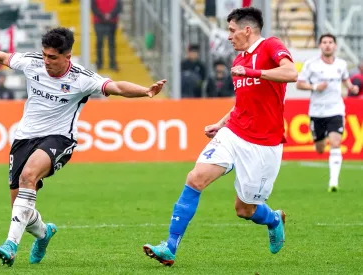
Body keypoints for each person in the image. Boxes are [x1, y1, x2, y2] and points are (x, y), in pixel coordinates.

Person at [0, 27, 166, 267]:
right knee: (19, 208)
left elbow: (116, 87)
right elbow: (2, 57)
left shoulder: (81, 78)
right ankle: (44, 234)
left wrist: (145, 91)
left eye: (52, 57)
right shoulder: (32, 63)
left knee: (28, 176)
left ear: (68, 56)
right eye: (44, 54)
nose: (46, 61)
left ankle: (10, 245)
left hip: (59, 138)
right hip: (24, 139)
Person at [142, 7, 298, 266]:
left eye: (231, 30)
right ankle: (169, 247)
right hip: (233, 132)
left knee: (244, 209)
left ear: (247, 30)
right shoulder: (238, 61)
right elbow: (242, 103)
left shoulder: (271, 46)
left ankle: (273, 219)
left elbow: (291, 73)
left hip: (263, 144)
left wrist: (254, 73)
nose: (229, 36)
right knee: (195, 178)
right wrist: (220, 123)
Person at [296, 34, 359, 192]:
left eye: (330, 42)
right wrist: (316, 87)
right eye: (324, 42)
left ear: (335, 46)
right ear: (320, 46)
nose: (328, 45)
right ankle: (320, 138)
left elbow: (345, 79)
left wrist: (351, 87)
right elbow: (300, 84)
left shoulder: (341, 64)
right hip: (317, 111)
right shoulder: (311, 64)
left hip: (336, 109)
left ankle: (333, 181)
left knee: (336, 143)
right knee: (320, 148)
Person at [91, 0, 122, 71]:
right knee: (99, 42)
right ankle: (99, 63)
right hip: (99, 21)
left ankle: (112, 63)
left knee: (111, 43)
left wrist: (110, 15)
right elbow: (93, 7)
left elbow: (119, 6)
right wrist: (103, 16)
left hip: (111, 22)